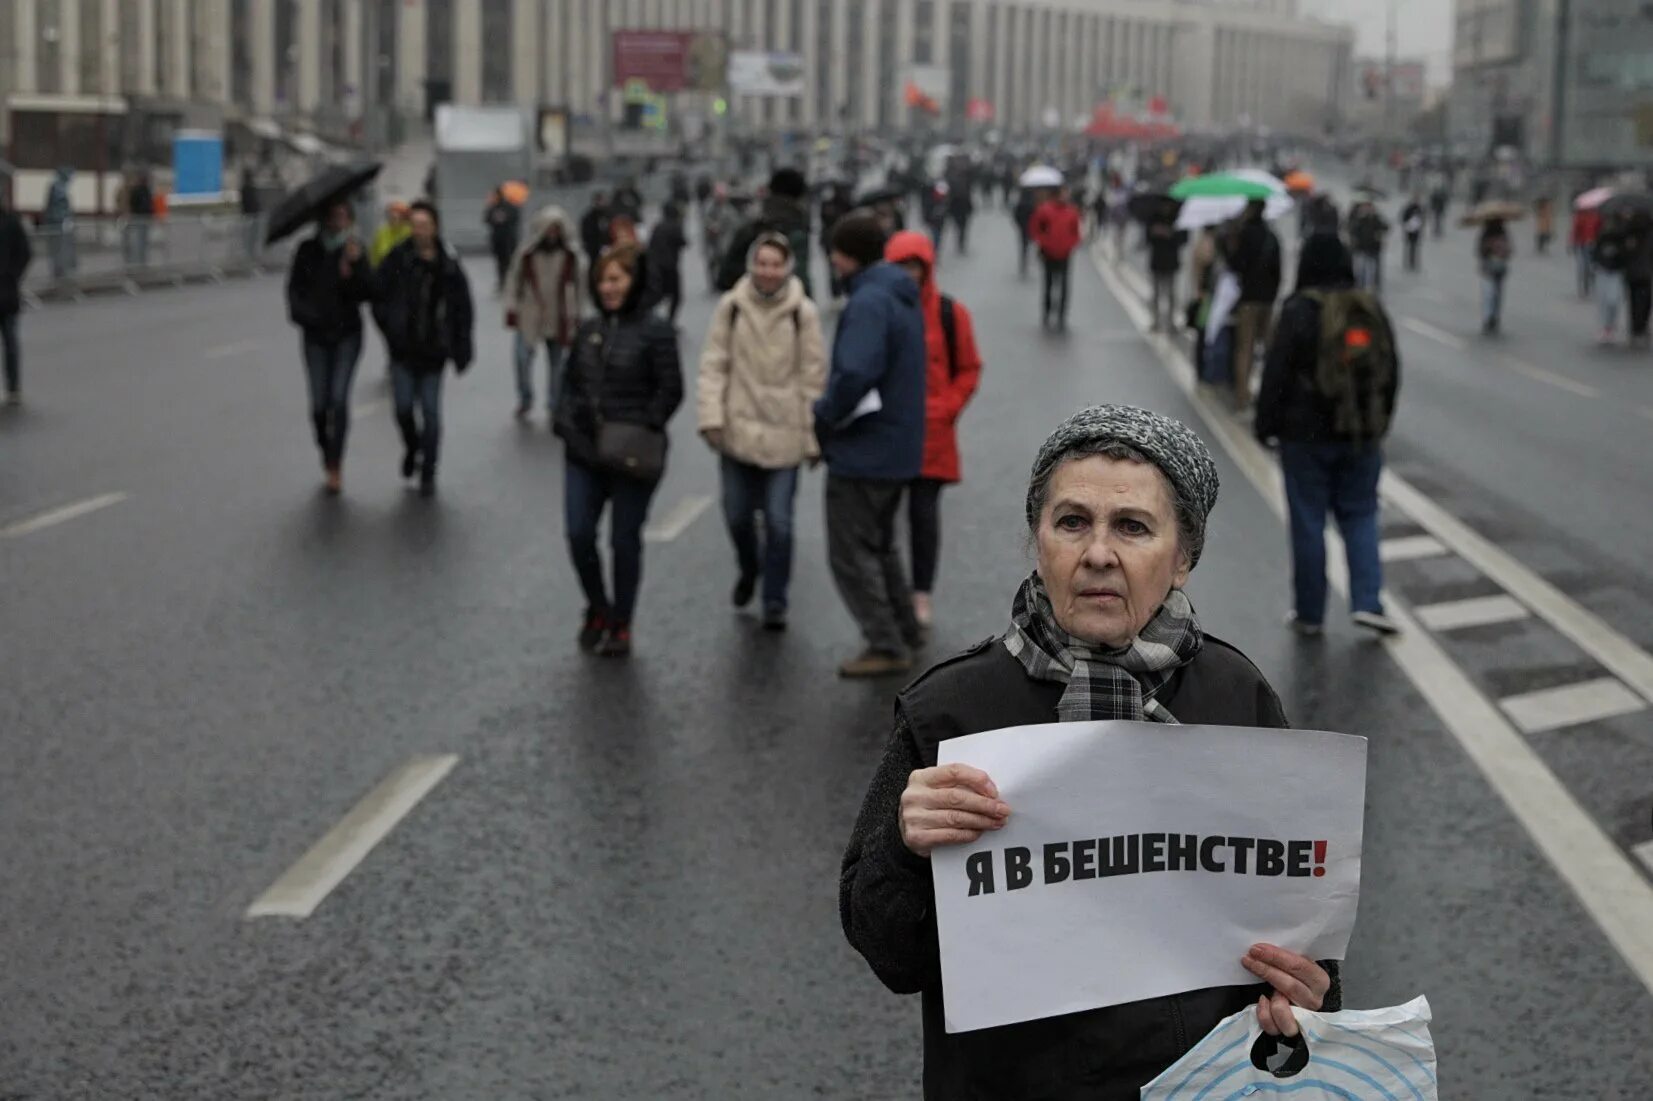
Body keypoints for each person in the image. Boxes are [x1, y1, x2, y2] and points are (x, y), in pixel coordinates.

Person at [841, 404, 1344, 1099]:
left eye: (1132, 527)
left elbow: (1298, 929)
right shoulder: (952, 712)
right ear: (1036, 539)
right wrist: (905, 848)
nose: (1097, 552)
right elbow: (890, 955)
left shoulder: (1237, 700)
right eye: (1071, 521)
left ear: (1183, 557)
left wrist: (1309, 997)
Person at [1255, 233, 1402, 638]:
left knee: (1308, 522)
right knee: (1361, 515)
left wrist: (1265, 425)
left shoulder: (1300, 310)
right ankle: (1368, 601)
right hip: (1361, 436)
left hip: (1305, 437)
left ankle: (1310, 613)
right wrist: (1378, 423)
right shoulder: (1367, 307)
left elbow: (1277, 374)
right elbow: (1391, 371)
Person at [554, 242, 684, 657]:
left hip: (631, 455)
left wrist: (644, 425)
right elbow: (569, 386)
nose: (608, 287)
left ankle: (622, 622)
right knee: (578, 534)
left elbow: (671, 387)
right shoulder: (588, 328)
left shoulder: (655, 329)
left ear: (634, 281)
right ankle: (597, 606)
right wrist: (569, 426)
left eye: (616, 279)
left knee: (624, 541)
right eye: (602, 280)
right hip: (584, 453)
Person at [813, 213, 928, 678]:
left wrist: (823, 415)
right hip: (898, 445)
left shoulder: (868, 301)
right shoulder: (899, 294)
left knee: (850, 554)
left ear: (844, 255)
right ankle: (907, 629)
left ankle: (885, 642)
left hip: (864, 449)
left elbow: (855, 373)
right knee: (882, 546)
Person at [697, 232, 828, 631]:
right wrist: (711, 418)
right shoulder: (731, 306)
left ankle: (775, 599)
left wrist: (812, 438)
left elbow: (813, 378)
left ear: (786, 269)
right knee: (737, 517)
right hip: (737, 430)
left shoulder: (802, 312)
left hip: (784, 433)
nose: (768, 271)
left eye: (776, 264)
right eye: (762, 263)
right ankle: (748, 568)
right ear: (752, 265)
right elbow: (713, 364)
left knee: (780, 523)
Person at [884, 231, 984, 629]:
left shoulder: (948, 312)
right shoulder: (881, 311)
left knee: (922, 519)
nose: (909, 275)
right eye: (901, 267)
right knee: (882, 521)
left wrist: (947, 408)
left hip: (932, 436)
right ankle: (893, 594)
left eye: (915, 267)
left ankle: (920, 592)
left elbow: (969, 368)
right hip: (889, 434)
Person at [372, 201, 475, 497]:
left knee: (431, 414)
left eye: (425, 225)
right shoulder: (398, 258)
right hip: (403, 351)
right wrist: (390, 328)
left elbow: (462, 309)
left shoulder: (448, 264)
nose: (420, 231)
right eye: (415, 225)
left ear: (435, 227)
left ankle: (429, 468)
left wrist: (461, 347)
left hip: (434, 351)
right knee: (403, 407)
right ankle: (412, 447)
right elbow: (378, 294)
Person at [285, 200, 372, 494]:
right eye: (333, 215)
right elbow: (294, 292)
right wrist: (307, 316)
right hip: (316, 337)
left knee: (338, 399)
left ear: (349, 219)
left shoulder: (354, 250)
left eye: (343, 215)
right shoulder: (307, 250)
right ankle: (325, 448)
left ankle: (336, 463)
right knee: (319, 405)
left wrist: (356, 266)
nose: (338, 220)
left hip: (347, 335)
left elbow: (366, 293)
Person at [503, 205, 583, 421]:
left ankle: (554, 403)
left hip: (559, 315)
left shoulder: (571, 256)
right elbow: (513, 279)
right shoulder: (526, 253)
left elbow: (580, 286)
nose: (552, 234)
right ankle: (525, 398)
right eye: (549, 229)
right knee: (521, 359)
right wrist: (511, 307)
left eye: (556, 230)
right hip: (529, 312)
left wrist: (580, 314)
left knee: (557, 363)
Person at [717, 167, 814, 299]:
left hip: (749, 307)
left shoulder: (751, 223)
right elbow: (802, 280)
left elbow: (724, 277)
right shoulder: (796, 227)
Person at [1223, 199, 1283, 409]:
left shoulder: (1244, 235)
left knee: (1245, 349)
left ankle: (1242, 396)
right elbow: (1278, 272)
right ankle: (1272, 395)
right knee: (1268, 349)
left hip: (1248, 299)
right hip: (1267, 300)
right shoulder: (1271, 236)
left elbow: (1236, 265)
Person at [1030, 185, 1083, 331]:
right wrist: (1044, 242)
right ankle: (1047, 312)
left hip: (1065, 253)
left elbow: (1076, 231)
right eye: (1064, 194)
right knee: (1048, 283)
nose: (1066, 197)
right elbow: (1036, 228)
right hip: (1048, 252)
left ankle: (1062, 314)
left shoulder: (1072, 212)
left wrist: (1071, 244)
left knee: (1064, 285)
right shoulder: (1045, 210)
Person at [0, 193, 32, 406]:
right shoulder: (12, 222)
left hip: (7, 292)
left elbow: (26, 252)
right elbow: (26, 253)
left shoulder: (11, 223)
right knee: (11, 341)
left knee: (10, 341)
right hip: (8, 291)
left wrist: (13, 274)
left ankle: (13, 386)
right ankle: (13, 386)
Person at [646, 200, 688, 323]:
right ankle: (670, 320)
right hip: (670, 266)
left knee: (658, 294)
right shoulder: (675, 226)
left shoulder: (658, 227)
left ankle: (651, 317)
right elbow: (683, 242)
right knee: (676, 296)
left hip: (656, 266)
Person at [1145, 216, 1188, 332]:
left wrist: (1170, 233)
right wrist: (1155, 232)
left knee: (1171, 294)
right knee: (1156, 293)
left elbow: (1184, 239)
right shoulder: (1154, 216)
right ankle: (1155, 320)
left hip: (1171, 261)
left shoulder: (1179, 217)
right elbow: (1147, 237)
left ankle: (1170, 321)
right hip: (1157, 260)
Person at [1477, 217, 1512, 336]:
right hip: (1494, 269)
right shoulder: (1499, 234)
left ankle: (1491, 318)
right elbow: (1509, 251)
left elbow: (1479, 250)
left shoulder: (1492, 234)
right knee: (1493, 294)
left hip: (1493, 269)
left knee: (1492, 295)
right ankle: (1491, 318)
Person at [484, 186, 521, 292]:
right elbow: (486, 219)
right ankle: (502, 282)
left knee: (510, 262)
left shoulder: (510, 206)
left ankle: (512, 282)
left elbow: (515, 218)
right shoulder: (492, 207)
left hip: (508, 240)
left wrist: (505, 218)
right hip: (497, 239)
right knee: (500, 262)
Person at [1347, 201, 1388, 293]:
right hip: (1361, 247)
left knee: (1373, 268)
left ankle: (1374, 284)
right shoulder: (1359, 219)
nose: (1367, 210)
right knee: (1361, 268)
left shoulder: (1377, 219)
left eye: (1369, 208)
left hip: (1374, 248)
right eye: (1365, 208)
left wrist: (1380, 234)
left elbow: (1386, 227)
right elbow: (1352, 229)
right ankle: (1360, 285)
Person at [703, 185, 739, 286]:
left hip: (724, 239)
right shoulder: (709, 207)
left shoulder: (729, 209)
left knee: (724, 261)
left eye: (723, 196)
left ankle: (723, 280)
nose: (721, 198)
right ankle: (714, 282)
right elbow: (706, 221)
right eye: (720, 196)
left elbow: (733, 223)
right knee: (712, 262)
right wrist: (711, 226)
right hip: (712, 240)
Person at [43, 167, 74, 280]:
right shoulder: (58, 187)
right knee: (57, 247)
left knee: (58, 247)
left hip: (57, 222)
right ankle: (58, 269)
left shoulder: (58, 186)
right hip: (57, 223)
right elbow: (60, 206)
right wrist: (66, 217)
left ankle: (60, 268)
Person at [121, 171, 155, 267]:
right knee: (138, 239)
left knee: (142, 239)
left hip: (143, 217)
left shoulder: (145, 190)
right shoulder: (138, 190)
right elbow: (132, 202)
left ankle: (140, 259)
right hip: (138, 218)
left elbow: (149, 204)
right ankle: (136, 260)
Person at [1571, 200, 1601, 299]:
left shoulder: (1598, 216)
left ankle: (1590, 286)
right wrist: (1573, 243)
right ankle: (1584, 288)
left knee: (1591, 268)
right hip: (1582, 244)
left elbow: (1600, 230)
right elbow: (1575, 231)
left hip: (1593, 245)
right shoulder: (1580, 216)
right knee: (1583, 267)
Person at [370, 201, 412, 268]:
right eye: (391, 216)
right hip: (384, 271)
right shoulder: (381, 232)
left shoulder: (409, 232)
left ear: (403, 218)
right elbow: (374, 255)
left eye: (398, 216)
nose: (393, 218)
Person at [1012, 187, 1039, 279]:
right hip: (1031, 228)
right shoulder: (1033, 204)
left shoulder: (1020, 204)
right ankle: (1031, 259)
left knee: (1024, 245)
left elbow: (1016, 216)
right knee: (1032, 243)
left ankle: (1024, 261)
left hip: (1023, 228)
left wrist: (1019, 225)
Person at [579, 191, 612, 265]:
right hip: (594, 251)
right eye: (599, 201)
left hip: (610, 249)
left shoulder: (610, 215)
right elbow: (586, 236)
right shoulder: (588, 218)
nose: (601, 203)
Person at [946, 177, 975, 255]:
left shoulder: (955, 194)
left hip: (960, 213)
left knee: (960, 229)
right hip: (961, 213)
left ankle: (960, 243)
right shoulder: (964, 193)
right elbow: (969, 203)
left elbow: (950, 205)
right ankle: (961, 244)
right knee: (962, 229)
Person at [1400, 195, 1426, 272]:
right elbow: (1403, 218)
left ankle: (1413, 262)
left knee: (1414, 247)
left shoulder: (1420, 208)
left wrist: (1420, 224)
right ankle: (1407, 261)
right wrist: (1408, 223)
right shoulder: (1408, 208)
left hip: (1416, 231)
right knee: (1408, 246)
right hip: (1409, 230)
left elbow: (1423, 218)